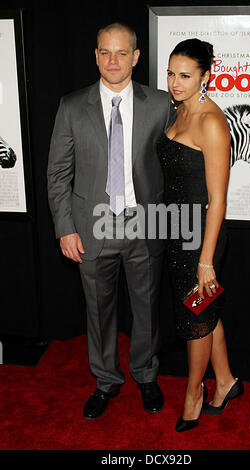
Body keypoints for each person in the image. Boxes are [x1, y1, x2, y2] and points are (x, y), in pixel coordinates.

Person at [47, 22, 175, 420]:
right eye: (105, 52)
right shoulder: (72, 106)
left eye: (122, 52)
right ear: (96, 55)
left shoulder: (160, 104)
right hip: (90, 228)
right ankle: (105, 381)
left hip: (144, 224)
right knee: (98, 311)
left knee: (147, 307)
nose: (113, 60)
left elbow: (175, 165)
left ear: (136, 57)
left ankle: (146, 375)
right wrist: (65, 226)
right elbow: (57, 174)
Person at [157, 38, 244, 433]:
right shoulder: (179, 109)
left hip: (200, 239)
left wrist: (206, 260)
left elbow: (219, 200)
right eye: (172, 74)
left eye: (186, 76)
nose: (175, 83)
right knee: (204, 311)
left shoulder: (211, 122)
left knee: (197, 316)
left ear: (206, 76)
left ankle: (195, 393)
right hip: (177, 229)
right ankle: (226, 381)